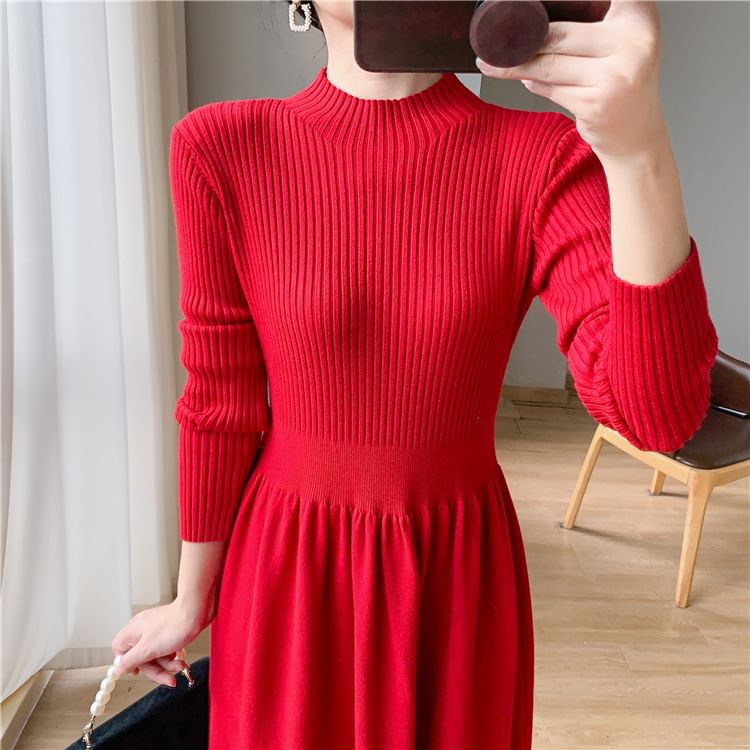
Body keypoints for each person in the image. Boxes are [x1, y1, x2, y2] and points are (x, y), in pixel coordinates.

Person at [111, 0, 719, 747]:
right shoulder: (221, 146)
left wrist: (638, 149)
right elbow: (218, 398)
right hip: (285, 573)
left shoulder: (544, 157)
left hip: (454, 578)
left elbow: (658, 415)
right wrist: (189, 599)